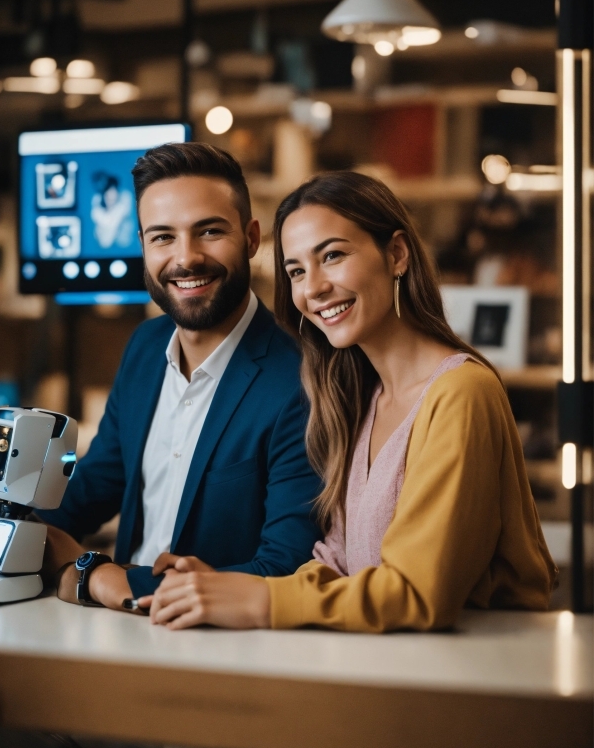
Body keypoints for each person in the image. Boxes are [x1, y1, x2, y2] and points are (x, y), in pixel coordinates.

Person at [143, 170, 557, 632]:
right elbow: (337, 561)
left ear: (396, 254)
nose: (313, 288)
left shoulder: (461, 393)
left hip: (483, 682)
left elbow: (417, 594)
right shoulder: (363, 398)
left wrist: (263, 600)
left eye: (333, 256)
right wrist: (227, 583)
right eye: (296, 271)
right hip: (392, 671)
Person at [41, 142, 321, 610]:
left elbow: (283, 569)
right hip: (116, 634)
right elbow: (94, 486)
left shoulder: (300, 378)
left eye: (209, 231)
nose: (185, 258)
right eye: (163, 237)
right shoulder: (146, 348)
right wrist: (17, 522)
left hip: (220, 649)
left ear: (252, 239)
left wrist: (104, 579)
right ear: (144, 246)